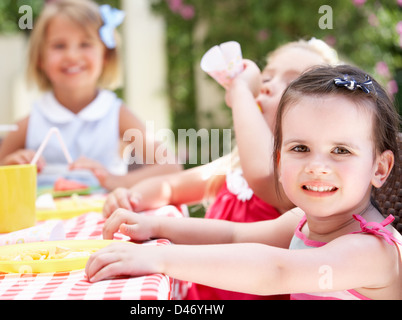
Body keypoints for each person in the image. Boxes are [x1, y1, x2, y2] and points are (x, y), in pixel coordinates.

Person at [86, 65, 402, 300]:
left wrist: (159, 258)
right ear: (278, 159)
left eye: (341, 151)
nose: (317, 167)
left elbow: (278, 271)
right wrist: (155, 226)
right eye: (300, 149)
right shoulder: (305, 221)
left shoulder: (372, 251)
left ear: (380, 167)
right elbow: (233, 234)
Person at [101, 39, 338, 299]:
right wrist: (132, 196)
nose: (267, 85)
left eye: (291, 82)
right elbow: (171, 187)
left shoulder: (302, 182)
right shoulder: (235, 167)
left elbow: (262, 174)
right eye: (266, 76)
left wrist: (240, 91)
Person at [0, 0, 181, 189]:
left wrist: (116, 181)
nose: (72, 56)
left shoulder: (116, 115)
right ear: (40, 58)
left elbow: (171, 168)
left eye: (85, 44)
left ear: (106, 56)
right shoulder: (30, 123)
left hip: (107, 216)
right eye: (59, 46)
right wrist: (10, 169)